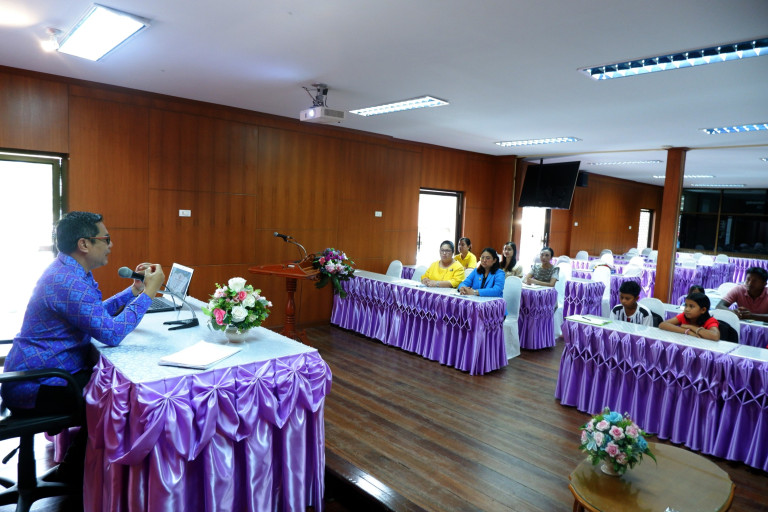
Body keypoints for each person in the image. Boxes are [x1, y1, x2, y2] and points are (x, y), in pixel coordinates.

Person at [1, 211, 165, 486]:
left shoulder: (68, 271)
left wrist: (133, 292)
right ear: (84, 244)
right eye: (106, 239)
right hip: (37, 384)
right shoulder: (68, 281)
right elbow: (112, 333)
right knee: (116, 396)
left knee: (110, 384)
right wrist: (149, 293)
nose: (111, 245)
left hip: (39, 373)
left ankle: (75, 469)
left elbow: (94, 314)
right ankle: (76, 473)